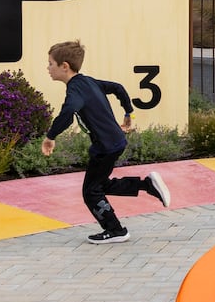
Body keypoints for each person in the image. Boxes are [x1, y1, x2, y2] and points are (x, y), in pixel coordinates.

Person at [41, 40, 170, 244]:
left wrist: (50, 137)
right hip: (110, 144)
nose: (47, 68)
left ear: (64, 66)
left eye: (50, 64)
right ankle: (147, 185)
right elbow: (117, 88)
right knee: (101, 185)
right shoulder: (88, 82)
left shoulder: (75, 90)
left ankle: (115, 229)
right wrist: (128, 112)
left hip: (106, 148)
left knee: (91, 192)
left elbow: (68, 112)